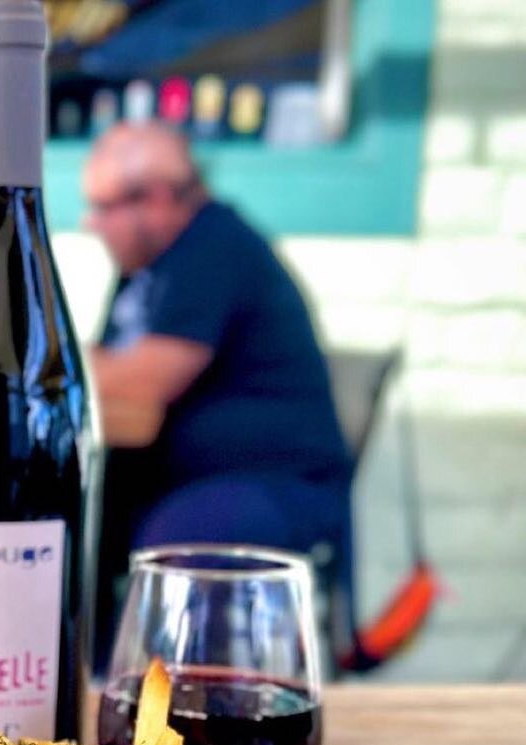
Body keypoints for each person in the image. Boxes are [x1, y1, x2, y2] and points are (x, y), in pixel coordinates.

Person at [83, 122, 353, 668]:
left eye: (103, 207)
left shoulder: (214, 247)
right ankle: (67, 693)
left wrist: (67, 361)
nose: (92, 224)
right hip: (179, 478)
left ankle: (164, 725)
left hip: (276, 486)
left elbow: (142, 379)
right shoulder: (147, 268)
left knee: (178, 545)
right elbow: (106, 368)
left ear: (156, 199)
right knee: (66, 518)